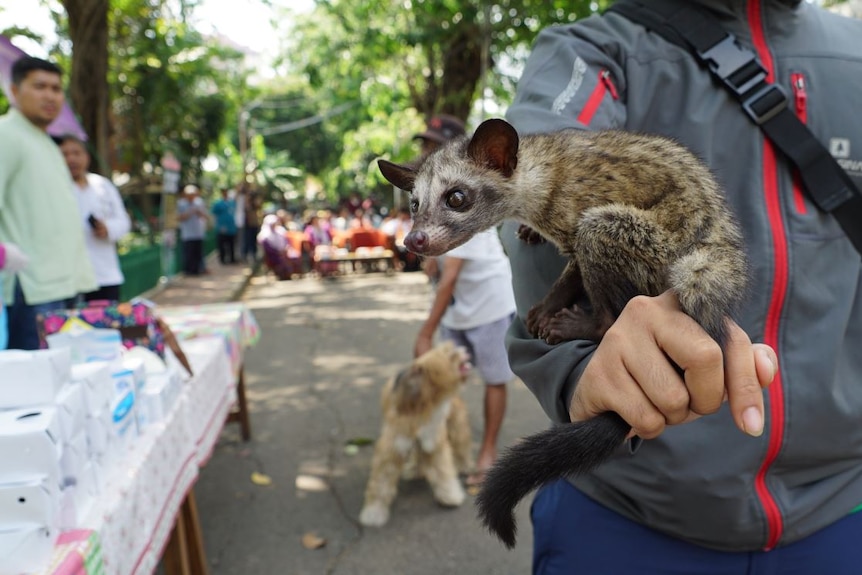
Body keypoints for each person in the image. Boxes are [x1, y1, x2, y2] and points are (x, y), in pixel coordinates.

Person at [501, 1, 862, 573]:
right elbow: (524, 168)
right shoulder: (601, 48)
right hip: (630, 505)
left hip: (844, 503)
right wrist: (587, 360)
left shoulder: (854, 51)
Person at [0, 56, 96, 350]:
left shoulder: (46, 142)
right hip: (31, 289)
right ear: (14, 91)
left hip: (61, 285)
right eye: (39, 86)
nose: (50, 96)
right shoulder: (6, 134)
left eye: (56, 88)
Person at [414, 227, 517, 486]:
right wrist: (432, 258)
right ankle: (450, 448)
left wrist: (425, 334)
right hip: (457, 310)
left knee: (494, 379)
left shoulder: (461, 210)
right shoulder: (429, 203)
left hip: (490, 304)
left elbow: (449, 280)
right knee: (445, 380)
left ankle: (488, 451)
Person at [59, 135, 131, 302]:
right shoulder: (54, 188)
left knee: (105, 325)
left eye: (76, 153)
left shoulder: (103, 185)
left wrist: (108, 228)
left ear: (86, 157)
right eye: (64, 154)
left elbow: (123, 221)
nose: (71, 159)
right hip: (68, 279)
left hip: (104, 274)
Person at [177, 184, 209, 275]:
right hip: (187, 234)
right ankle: (188, 271)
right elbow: (178, 217)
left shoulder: (199, 202)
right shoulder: (181, 204)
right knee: (188, 254)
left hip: (198, 233)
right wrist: (188, 213)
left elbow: (206, 216)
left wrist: (199, 212)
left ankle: (198, 270)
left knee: (198, 254)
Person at [211, 188, 238, 265]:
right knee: (222, 244)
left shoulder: (232, 202)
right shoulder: (218, 204)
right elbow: (214, 214)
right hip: (222, 227)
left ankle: (232, 258)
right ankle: (222, 259)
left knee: (231, 244)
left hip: (231, 227)